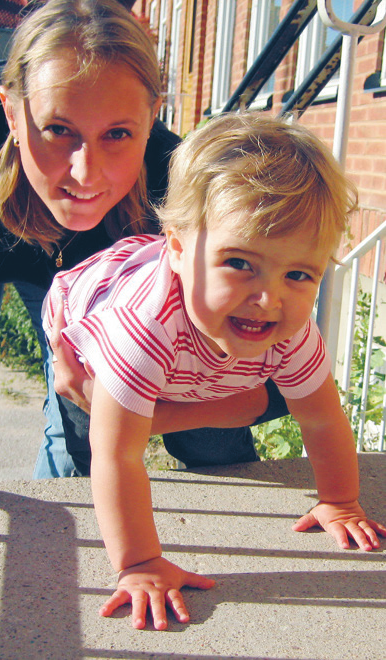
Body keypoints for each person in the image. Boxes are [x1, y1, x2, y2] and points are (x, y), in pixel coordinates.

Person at [0, 0, 284, 487]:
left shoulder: (171, 185)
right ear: (12, 112)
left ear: (151, 115)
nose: (85, 172)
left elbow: (270, 380)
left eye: (118, 133)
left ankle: (55, 533)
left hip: (92, 263)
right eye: (58, 130)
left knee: (80, 408)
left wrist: (131, 411)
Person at [42, 113, 386, 630]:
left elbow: (320, 418)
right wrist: (138, 563)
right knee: (85, 444)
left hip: (201, 357)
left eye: (298, 273)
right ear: (178, 248)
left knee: (217, 440)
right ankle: (54, 502)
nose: (268, 299)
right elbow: (119, 454)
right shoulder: (141, 329)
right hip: (86, 319)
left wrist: (339, 501)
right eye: (240, 263)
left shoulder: (291, 329)